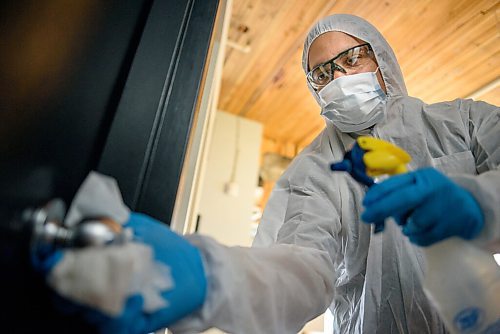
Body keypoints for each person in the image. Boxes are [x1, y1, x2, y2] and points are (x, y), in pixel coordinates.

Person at [38, 14, 499, 334]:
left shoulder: (462, 122)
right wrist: (212, 279)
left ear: (382, 59)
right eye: (322, 72)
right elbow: (302, 265)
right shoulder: (316, 173)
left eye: (351, 59)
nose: (339, 78)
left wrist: (480, 203)